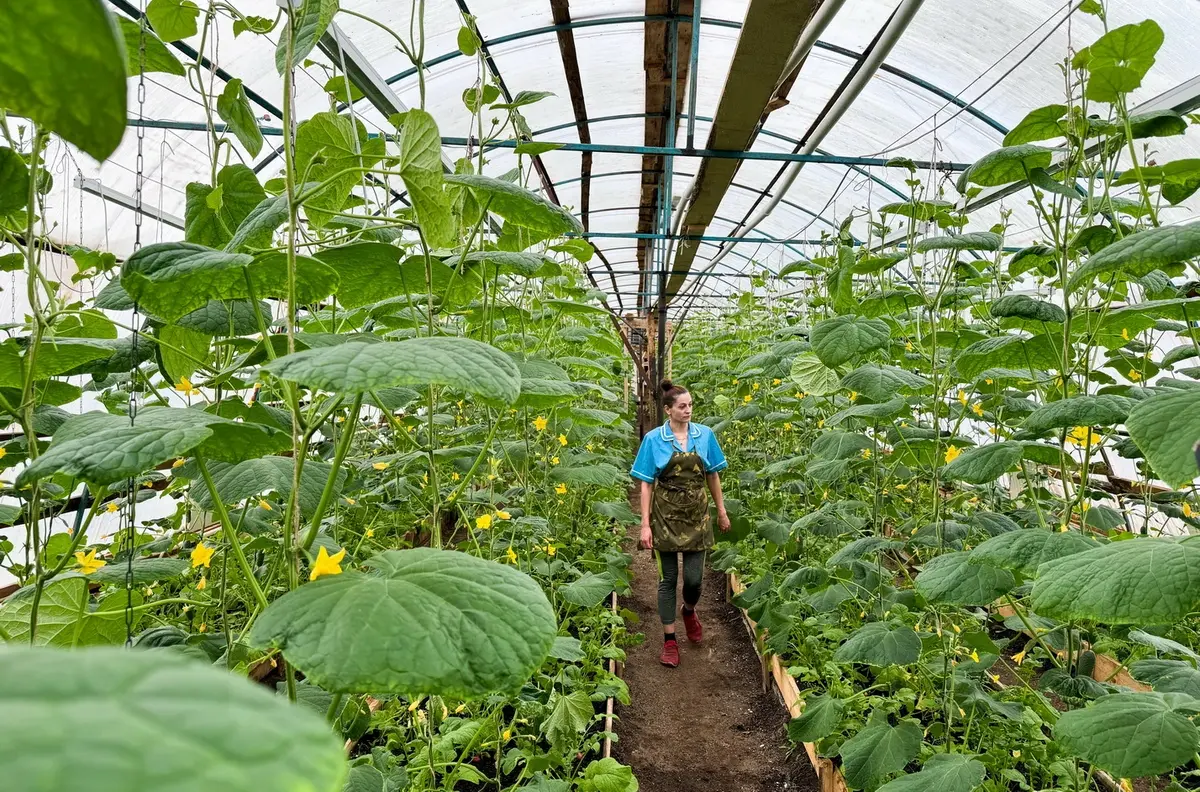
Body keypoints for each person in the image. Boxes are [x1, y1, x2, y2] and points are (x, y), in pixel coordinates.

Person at [630, 380, 731, 667]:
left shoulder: (705, 435)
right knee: (668, 580)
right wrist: (645, 525)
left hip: (697, 515)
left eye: (690, 406)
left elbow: (712, 475)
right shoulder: (654, 439)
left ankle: (688, 610)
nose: (688, 411)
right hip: (665, 515)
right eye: (682, 406)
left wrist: (721, 512)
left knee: (694, 580)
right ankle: (670, 640)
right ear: (668, 410)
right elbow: (646, 484)